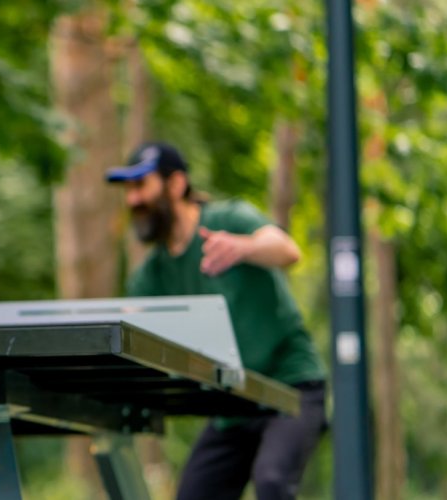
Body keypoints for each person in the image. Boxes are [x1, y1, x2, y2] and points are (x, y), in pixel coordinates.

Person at [106, 143, 327, 500]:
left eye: (141, 185)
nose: (133, 199)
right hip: (233, 405)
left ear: (176, 184)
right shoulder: (150, 276)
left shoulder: (227, 220)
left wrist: (244, 247)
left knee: (272, 480)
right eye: (128, 190)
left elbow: (288, 250)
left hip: (291, 387)